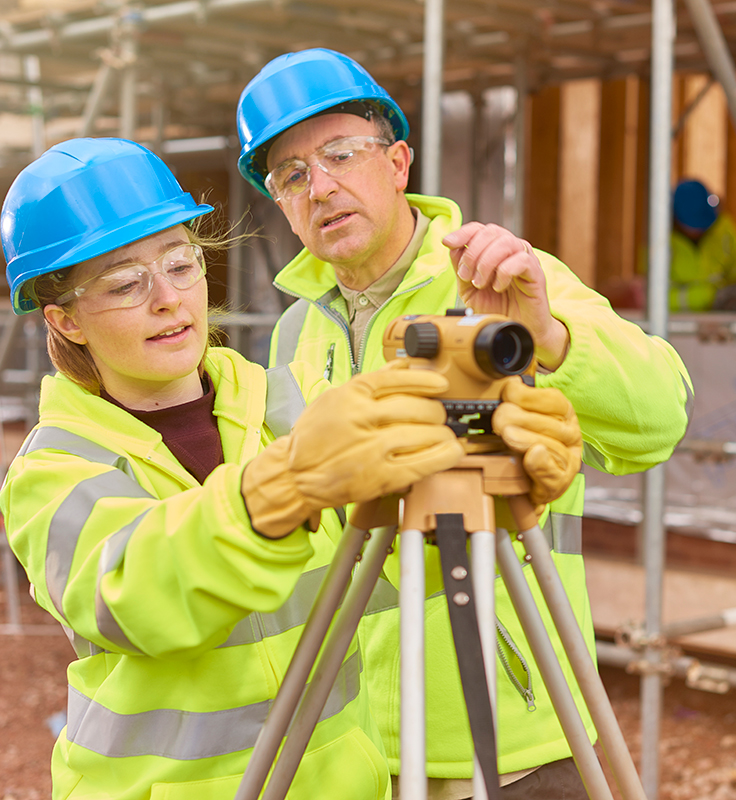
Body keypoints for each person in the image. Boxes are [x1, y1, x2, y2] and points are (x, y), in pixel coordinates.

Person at [236, 48, 694, 799]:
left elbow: (658, 418)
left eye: (341, 153)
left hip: (510, 741)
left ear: (398, 162)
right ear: (280, 204)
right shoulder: (293, 335)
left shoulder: (501, 280)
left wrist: (548, 335)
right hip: (348, 745)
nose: (320, 187)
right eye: (290, 174)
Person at [0, 136, 477, 800]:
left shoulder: (281, 404)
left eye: (181, 264)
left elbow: (379, 572)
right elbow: (139, 596)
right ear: (65, 320)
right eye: (125, 283)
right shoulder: (54, 466)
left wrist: (476, 488)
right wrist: (277, 490)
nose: (168, 299)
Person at [670, 178, 736, 312]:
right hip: (675, 321)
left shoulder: (723, 230)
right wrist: (707, 297)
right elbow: (650, 295)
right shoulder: (660, 240)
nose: (700, 230)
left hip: (720, 318)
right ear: (676, 217)